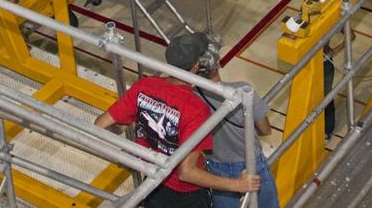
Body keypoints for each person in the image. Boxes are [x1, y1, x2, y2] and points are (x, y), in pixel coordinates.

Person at [95, 32, 260, 207]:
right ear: (196, 65)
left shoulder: (144, 85)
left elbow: (100, 125)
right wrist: (236, 185)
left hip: (152, 182)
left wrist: (128, 124)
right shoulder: (196, 109)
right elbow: (186, 173)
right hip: (186, 195)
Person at [195, 39, 280, 208]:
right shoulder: (242, 90)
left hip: (216, 166)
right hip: (250, 163)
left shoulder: (192, 97)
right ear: (218, 64)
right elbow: (265, 129)